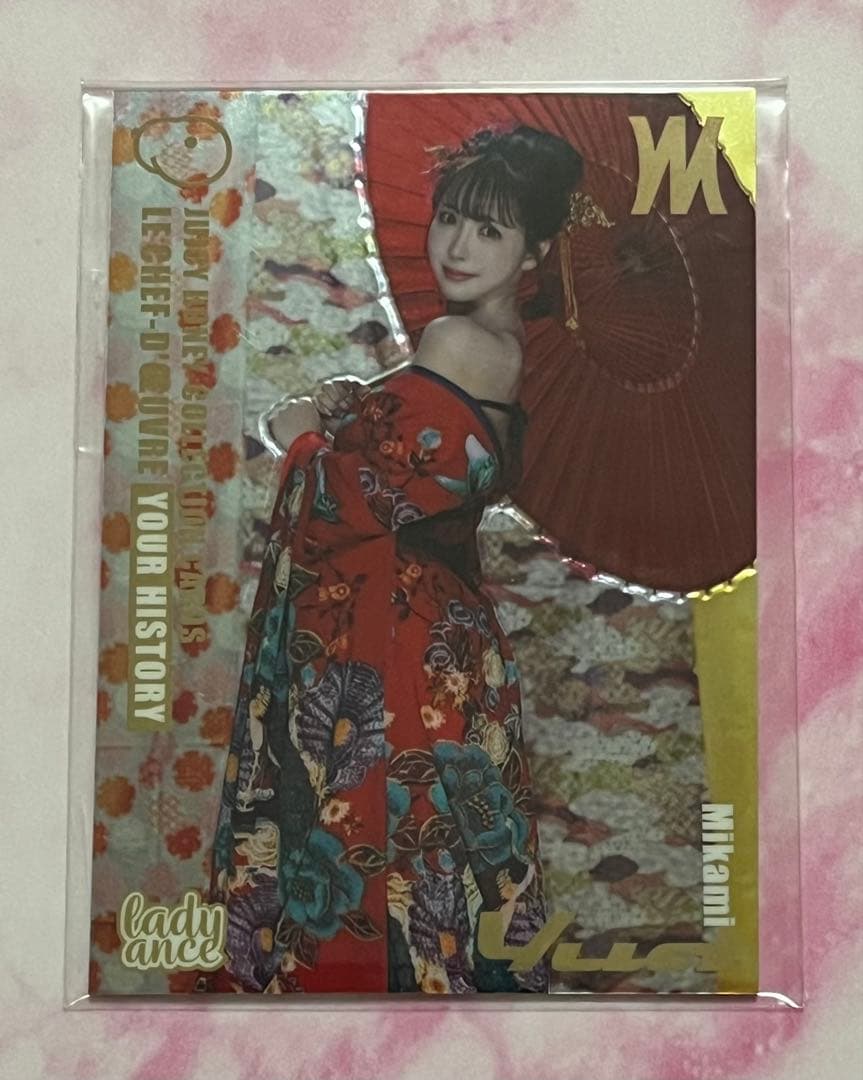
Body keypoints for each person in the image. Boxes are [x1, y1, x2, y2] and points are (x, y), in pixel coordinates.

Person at [211, 125, 584, 994]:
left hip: (394, 637)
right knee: (440, 851)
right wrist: (356, 408)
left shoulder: (455, 340)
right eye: (450, 218)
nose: (457, 246)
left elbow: (360, 500)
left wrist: (302, 439)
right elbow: (422, 463)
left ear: (535, 250)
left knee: (374, 832)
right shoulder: (502, 350)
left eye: (489, 230)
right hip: (451, 635)